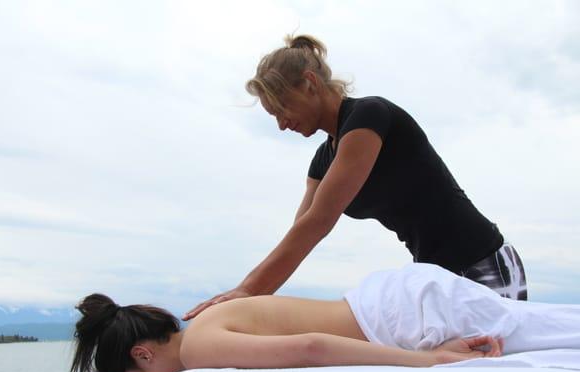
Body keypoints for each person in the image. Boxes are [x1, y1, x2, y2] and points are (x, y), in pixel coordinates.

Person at [184, 34, 526, 321]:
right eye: (273, 116)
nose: (281, 124)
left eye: (283, 108)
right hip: (434, 277)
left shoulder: (369, 116)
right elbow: (300, 231)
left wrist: (248, 290)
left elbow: (319, 221)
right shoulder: (322, 159)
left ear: (310, 84)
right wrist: (250, 298)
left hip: (482, 263)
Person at [67, 263, 580, 372]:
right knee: (546, 324)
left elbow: (313, 347)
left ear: (142, 354)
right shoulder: (205, 322)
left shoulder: (200, 350)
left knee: (555, 332)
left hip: (400, 314)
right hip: (392, 302)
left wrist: (430, 361)